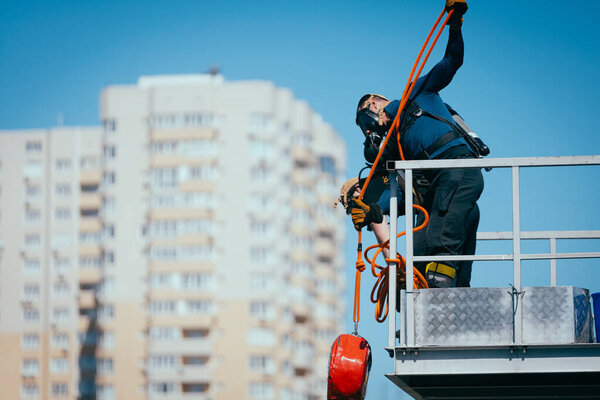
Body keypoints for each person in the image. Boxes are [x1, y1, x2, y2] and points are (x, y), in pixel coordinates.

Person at [349, 0, 484, 288]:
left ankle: (439, 294)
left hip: (457, 171)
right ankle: (432, 299)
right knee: (421, 249)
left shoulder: (416, 93)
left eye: (367, 120)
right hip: (442, 194)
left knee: (439, 248)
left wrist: (455, 25)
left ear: (373, 104)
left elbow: (451, 62)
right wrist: (368, 208)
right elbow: (392, 196)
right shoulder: (396, 148)